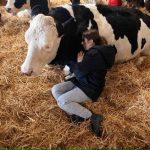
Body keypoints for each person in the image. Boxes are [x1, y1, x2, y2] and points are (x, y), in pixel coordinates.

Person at [51, 29, 116, 137]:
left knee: (62, 101)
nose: (82, 43)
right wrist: (80, 64)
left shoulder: (94, 54)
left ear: (91, 41)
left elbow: (80, 72)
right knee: (56, 89)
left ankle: (92, 116)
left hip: (90, 87)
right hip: (82, 82)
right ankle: (75, 114)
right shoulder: (94, 52)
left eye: (84, 41)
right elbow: (81, 73)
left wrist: (78, 62)